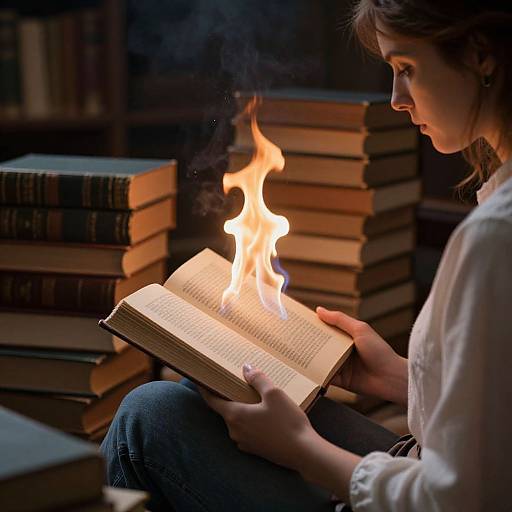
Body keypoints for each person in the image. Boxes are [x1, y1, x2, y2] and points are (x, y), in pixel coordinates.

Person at [100, 1, 512, 510]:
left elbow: (461, 500)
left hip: (424, 492)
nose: (396, 99)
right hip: (421, 461)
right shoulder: (498, 207)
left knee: (148, 414)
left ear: (480, 56)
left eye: (407, 69)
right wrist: (398, 378)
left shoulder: (496, 236)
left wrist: (303, 450)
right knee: (203, 380)